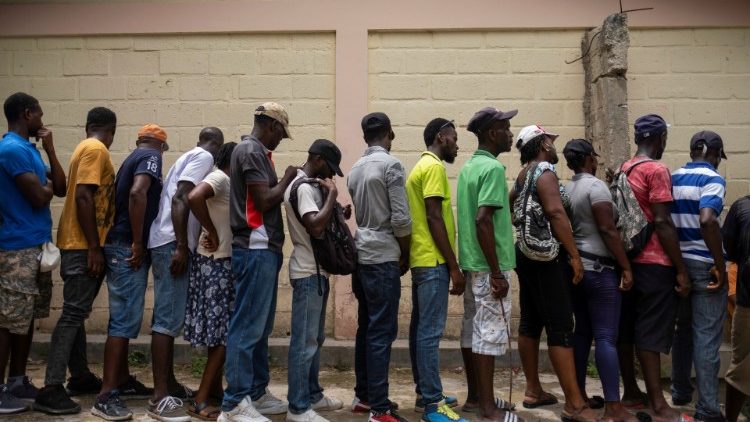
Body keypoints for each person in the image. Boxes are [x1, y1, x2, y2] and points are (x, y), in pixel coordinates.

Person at [511, 125, 598, 422]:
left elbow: (513, 201)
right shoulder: (545, 171)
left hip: (525, 254)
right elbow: (555, 212)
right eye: (550, 141)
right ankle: (574, 404)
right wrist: (574, 255)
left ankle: (534, 390)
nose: (554, 146)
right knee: (561, 326)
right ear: (542, 143)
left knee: (530, 321)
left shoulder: (524, 174)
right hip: (548, 258)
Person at [34, 107, 118, 415]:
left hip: (78, 243)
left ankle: (80, 375)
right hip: (83, 246)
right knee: (72, 315)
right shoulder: (96, 149)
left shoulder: (84, 147)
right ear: (109, 130)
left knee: (77, 311)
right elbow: (84, 196)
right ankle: (51, 387)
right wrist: (94, 248)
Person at [220, 103, 298, 422]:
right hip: (254, 246)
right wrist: (290, 177)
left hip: (263, 248)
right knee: (247, 325)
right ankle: (235, 402)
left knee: (260, 326)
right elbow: (264, 200)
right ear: (272, 127)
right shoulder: (251, 151)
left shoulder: (256, 152)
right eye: (281, 133)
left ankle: (256, 392)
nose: (280, 140)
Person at [616, 114, 690, 422]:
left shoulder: (625, 167)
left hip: (629, 261)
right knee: (650, 333)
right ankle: (659, 405)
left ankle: (632, 393)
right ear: (660, 139)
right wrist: (681, 269)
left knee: (628, 329)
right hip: (655, 263)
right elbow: (661, 220)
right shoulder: (657, 170)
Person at [147, 126, 223, 421]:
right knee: (168, 319)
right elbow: (182, 198)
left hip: (164, 240)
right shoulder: (204, 157)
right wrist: (181, 245)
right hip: (171, 243)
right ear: (216, 146)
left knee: (165, 316)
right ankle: (159, 398)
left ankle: (168, 386)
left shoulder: (188, 155)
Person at [93, 124, 167, 421]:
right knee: (124, 320)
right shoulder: (152, 156)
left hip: (121, 242)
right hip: (126, 244)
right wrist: (138, 242)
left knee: (123, 316)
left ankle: (121, 380)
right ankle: (106, 395)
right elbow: (139, 193)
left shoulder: (135, 155)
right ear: (161, 145)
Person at [0, 92, 65, 414]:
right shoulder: (11, 149)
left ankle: (18, 381)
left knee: (25, 321)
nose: (42, 119)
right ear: (28, 114)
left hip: (35, 245)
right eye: (39, 114)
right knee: (8, 319)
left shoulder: (30, 149)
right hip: (16, 248)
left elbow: (61, 186)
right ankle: (1, 391)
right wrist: (48, 186)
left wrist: (51, 149)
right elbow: (41, 197)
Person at [562, 138, 637, 422]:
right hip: (601, 269)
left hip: (578, 268)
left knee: (582, 333)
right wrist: (626, 266)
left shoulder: (568, 188)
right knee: (606, 336)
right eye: (595, 155)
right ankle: (614, 408)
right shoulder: (596, 187)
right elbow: (607, 229)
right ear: (589, 159)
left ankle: (578, 397)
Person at [457, 108, 522, 422]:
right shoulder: (493, 169)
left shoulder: (470, 167)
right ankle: (488, 410)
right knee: (488, 336)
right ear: (490, 133)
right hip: (488, 268)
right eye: (505, 128)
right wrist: (497, 272)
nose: (511, 133)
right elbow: (483, 221)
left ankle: (477, 398)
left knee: (474, 332)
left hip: (474, 265)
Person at [348, 112, 411, 422]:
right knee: (381, 332)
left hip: (361, 256)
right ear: (390, 133)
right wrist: (406, 252)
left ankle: (365, 397)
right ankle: (380, 409)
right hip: (384, 256)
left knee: (367, 328)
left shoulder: (354, 169)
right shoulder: (391, 165)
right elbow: (400, 219)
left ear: (364, 137)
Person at [284, 139, 347, 422]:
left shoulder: (307, 184)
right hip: (308, 272)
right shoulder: (304, 187)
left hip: (316, 272)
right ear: (318, 159)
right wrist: (332, 196)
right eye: (330, 169)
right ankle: (298, 407)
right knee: (305, 342)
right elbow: (315, 225)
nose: (331, 177)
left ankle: (312, 394)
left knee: (316, 338)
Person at [406, 118, 465, 422]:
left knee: (420, 332)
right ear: (442, 138)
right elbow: (433, 217)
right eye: (454, 138)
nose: (457, 143)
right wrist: (453, 266)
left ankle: (425, 393)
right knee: (429, 334)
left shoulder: (421, 166)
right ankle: (432, 405)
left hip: (422, 260)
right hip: (433, 263)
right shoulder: (434, 168)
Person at [668, 131, 727, 422]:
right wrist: (720, 264)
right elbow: (707, 219)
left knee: (683, 330)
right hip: (705, 265)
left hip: (677, 265)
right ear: (715, 153)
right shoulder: (713, 179)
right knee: (706, 336)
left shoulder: (673, 177)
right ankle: (707, 408)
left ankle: (680, 391)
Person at [184, 141, 237, 420]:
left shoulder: (228, 181)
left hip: (216, 263)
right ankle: (201, 400)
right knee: (223, 336)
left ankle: (213, 392)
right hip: (216, 264)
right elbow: (194, 197)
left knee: (218, 335)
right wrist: (211, 229)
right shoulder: (221, 177)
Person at [722, 195, 750, 422]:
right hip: (746, 300)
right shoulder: (742, 207)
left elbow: (730, 251)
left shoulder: (741, 206)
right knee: (742, 365)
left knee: (741, 363)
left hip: (747, 300)